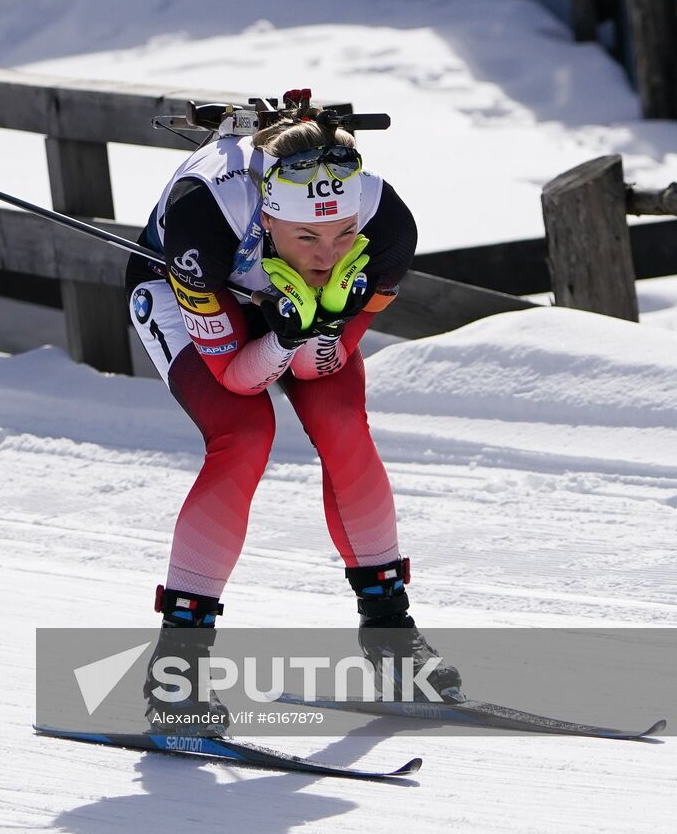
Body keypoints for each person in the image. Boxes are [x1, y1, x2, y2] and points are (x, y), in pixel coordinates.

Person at [126, 93, 462, 733]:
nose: (328, 253)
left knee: (342, 425)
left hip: (292, 314)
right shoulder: (206, 213)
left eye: (342, 233)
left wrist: (320, 324)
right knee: (244, 434)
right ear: (268, 215)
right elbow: (235, 378)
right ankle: (178, 667)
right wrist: (281, 336)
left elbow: (319, 369)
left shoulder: (388, 227)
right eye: (307, 235)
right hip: (193, 292)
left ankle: (391, 634)